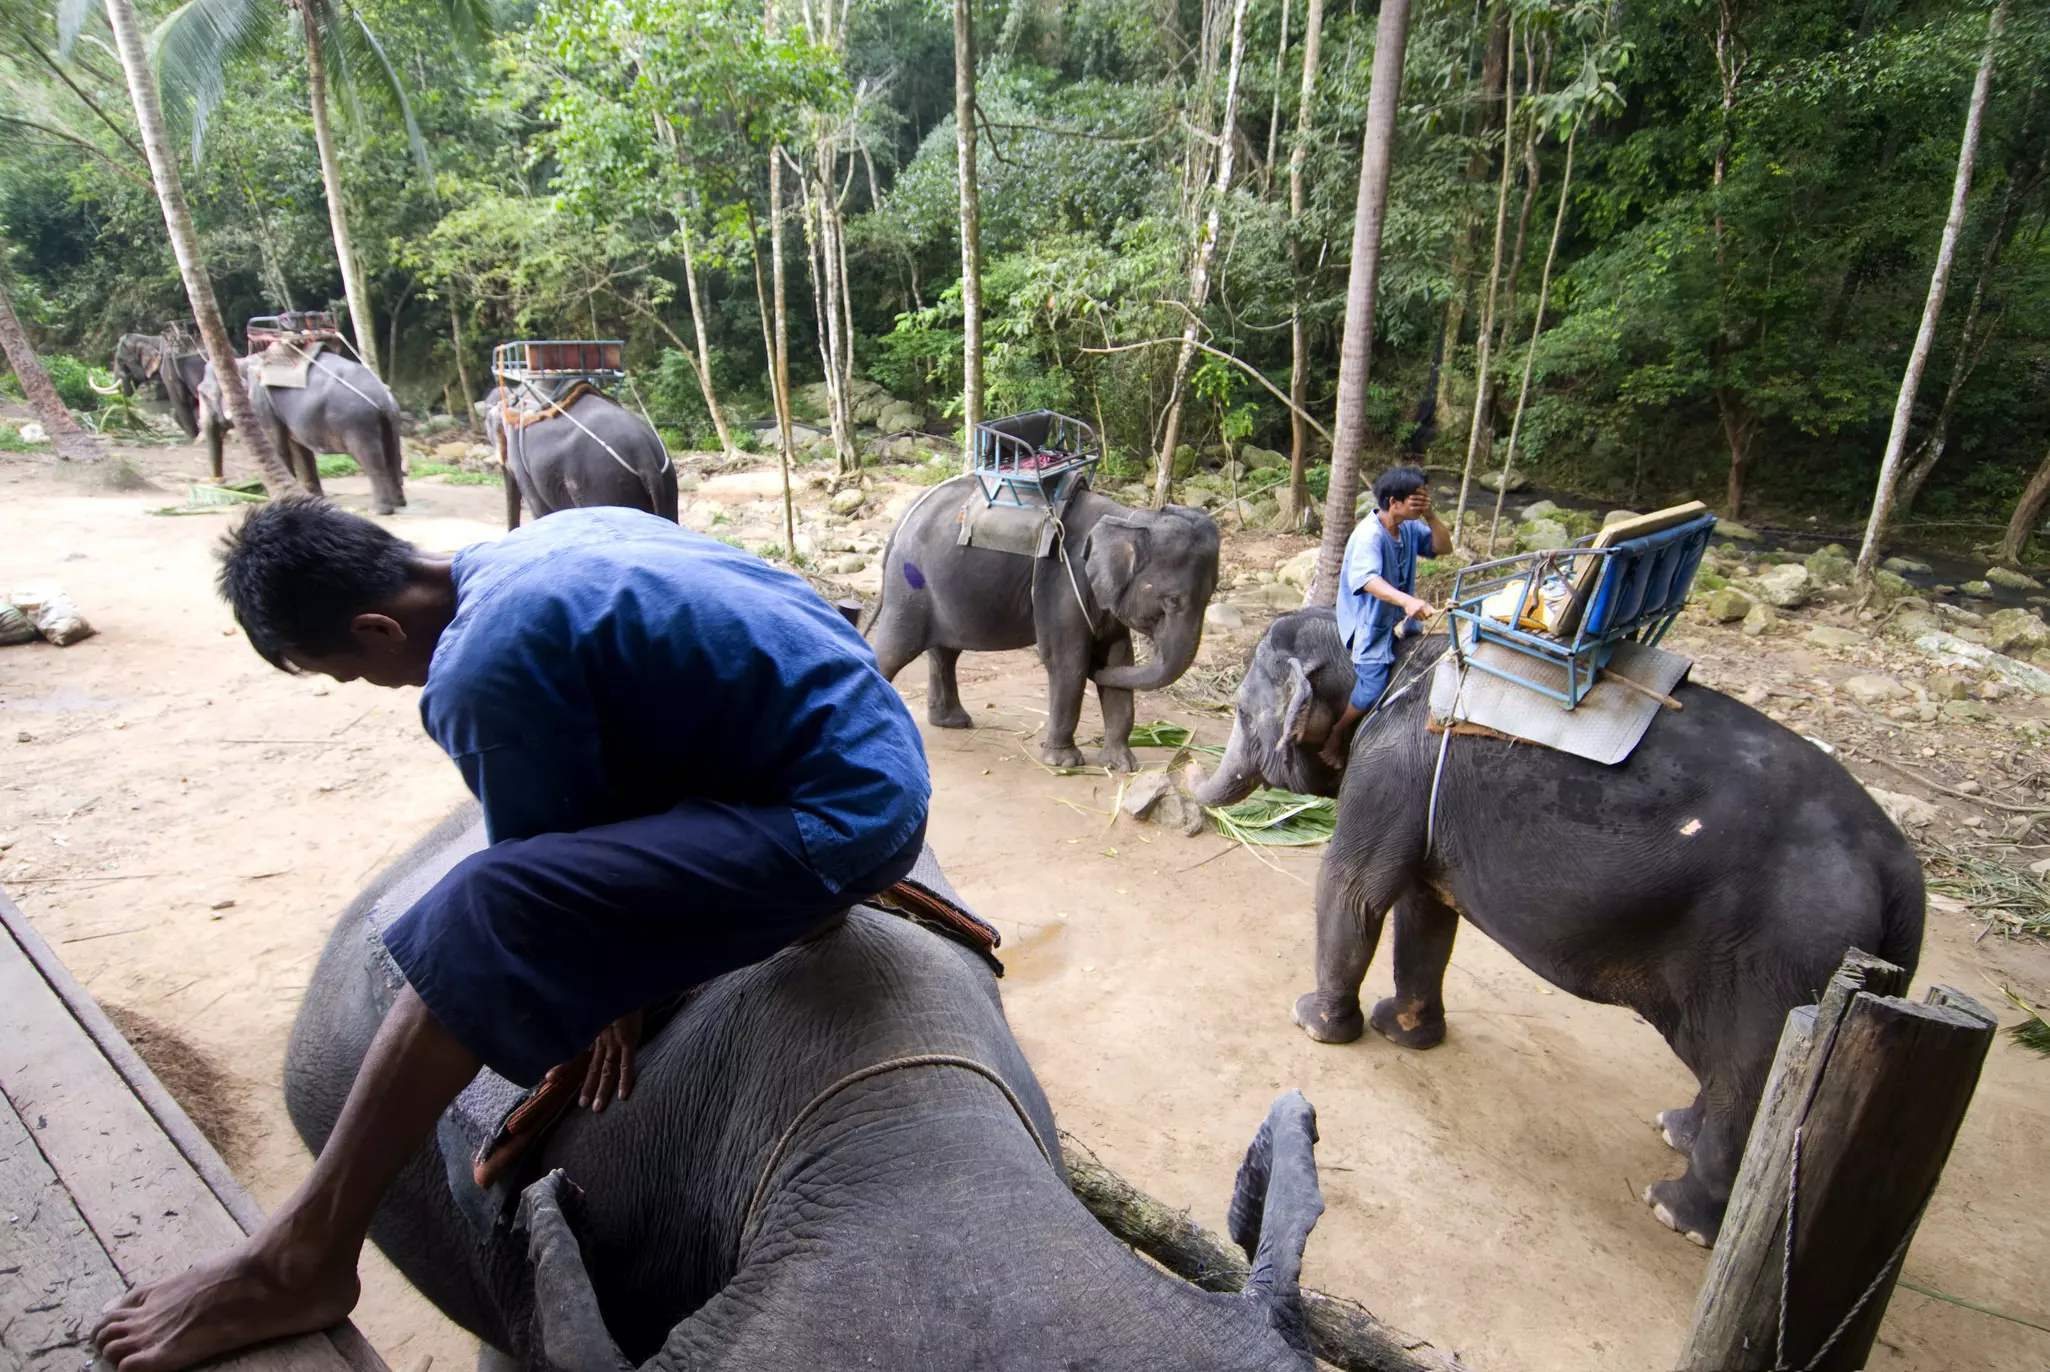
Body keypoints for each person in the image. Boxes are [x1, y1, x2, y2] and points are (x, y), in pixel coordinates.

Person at [93, 498, 931, 1372]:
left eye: (356, 674)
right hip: (863, 747)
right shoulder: (559, 534)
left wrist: (608, 981)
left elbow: (537, 899)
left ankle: (302, 1256)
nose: (382, 688)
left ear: (378, 627)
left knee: (484, 907)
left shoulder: (481, 670)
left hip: (841, 822)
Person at [1319, 465, 1451, 769]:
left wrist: (1431, 516)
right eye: (1416, 501)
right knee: (1373, 686)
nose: (1421, 505)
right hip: (1368, 623)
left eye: (1424, 501)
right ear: (1394, 502)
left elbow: (1444, 546)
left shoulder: (1407, 527)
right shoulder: (1369, 536)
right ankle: (1337, 733)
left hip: (1395, 617)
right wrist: (1406, 601)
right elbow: (1367, 580)